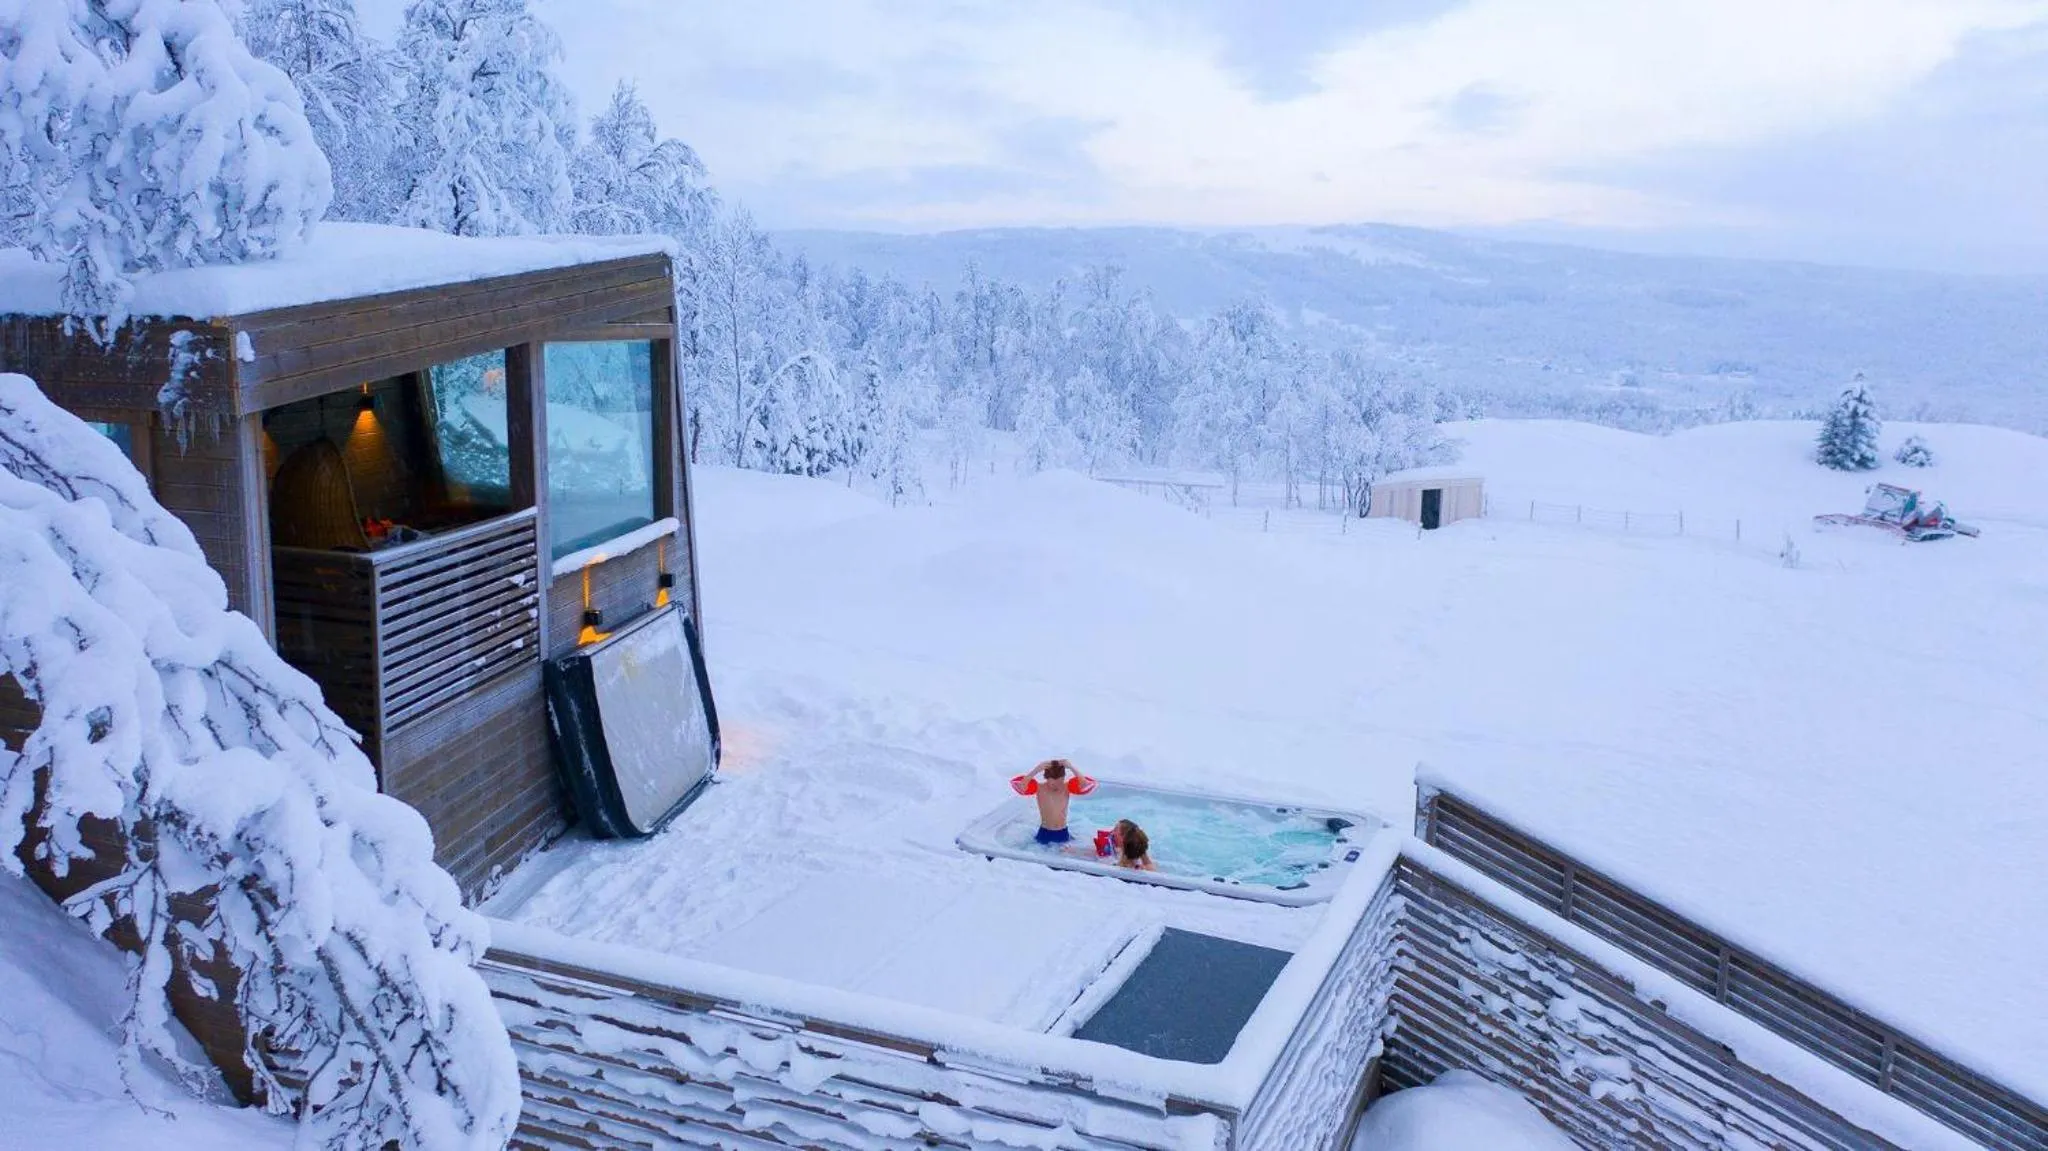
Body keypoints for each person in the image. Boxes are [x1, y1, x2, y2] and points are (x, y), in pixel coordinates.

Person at [1010, 758, 1096, 845]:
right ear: (1046, 778)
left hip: (1062, 832)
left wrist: (1071, 767)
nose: (1056, 786)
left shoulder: (1066, 787)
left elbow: (1087, 784)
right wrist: (1036, 769)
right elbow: (1020, 786)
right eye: (1053, 783)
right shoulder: (1040, 788)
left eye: (1060, 782)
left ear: (1063, 778)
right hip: (1045, 833)